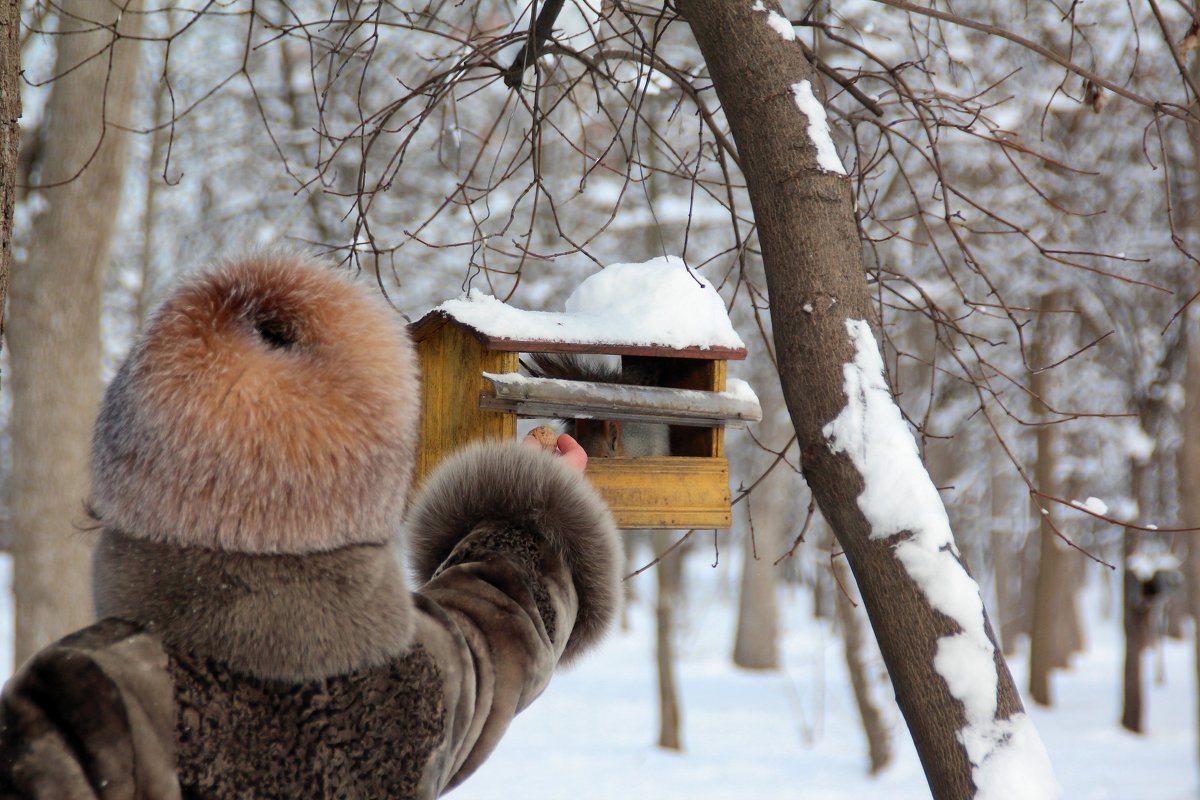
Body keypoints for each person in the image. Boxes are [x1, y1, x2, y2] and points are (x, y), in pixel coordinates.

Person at [0, 253, 621, 799]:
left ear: (137, 482)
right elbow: (502, 622)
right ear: (366, 491)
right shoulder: (419, 681)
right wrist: (534, 505)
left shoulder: (85, 708)